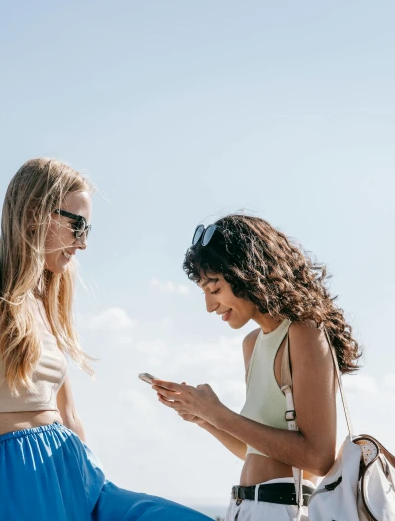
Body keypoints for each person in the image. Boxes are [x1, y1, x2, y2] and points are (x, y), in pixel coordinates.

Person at [0, 158, 211, 521]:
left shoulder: (47, 299)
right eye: (77, 225)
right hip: (18, 479)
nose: (84, 243)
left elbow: (69, 414)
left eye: (88, 229)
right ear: (34, 213)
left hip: (82, 476)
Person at [152, 214, 362, 521]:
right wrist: (204, 417)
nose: (210, 307)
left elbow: (318, 458)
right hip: (243, 508)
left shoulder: (304, 333)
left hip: (283, 510)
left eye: (215, 289)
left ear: (248, 273)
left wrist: (218, 413)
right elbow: (253, 449)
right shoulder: (252, 344)